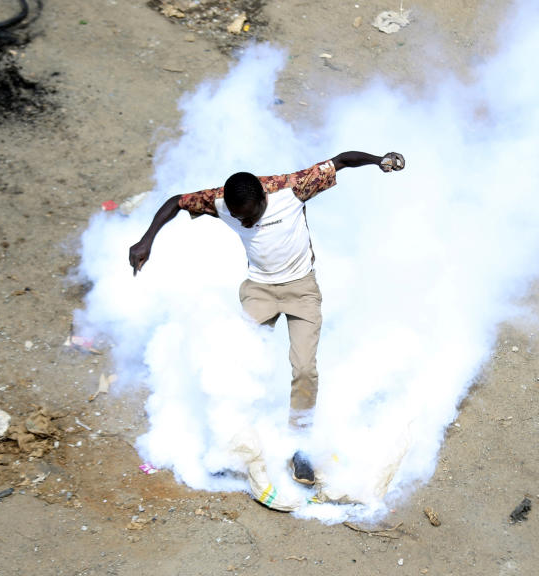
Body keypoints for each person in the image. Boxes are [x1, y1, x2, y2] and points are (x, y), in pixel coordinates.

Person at [128, 151, 406, 486]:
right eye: (237, 218)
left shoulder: (292, 189)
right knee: (235, 363)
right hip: (259, 290)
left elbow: (342, 161)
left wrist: (379, 160)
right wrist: (147, 240)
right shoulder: (220, 203)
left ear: (262, 197)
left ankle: (300, 446)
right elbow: (176, 202)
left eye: (249, 217)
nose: (243, 223)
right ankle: (232, 444)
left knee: (304, 368)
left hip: (301, 289)